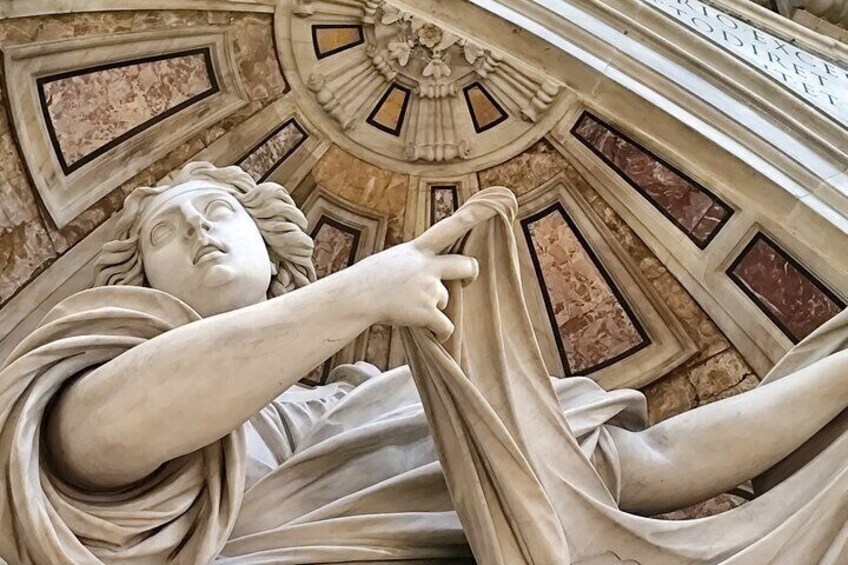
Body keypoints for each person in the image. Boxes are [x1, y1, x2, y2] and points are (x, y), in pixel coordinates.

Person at [2, 161, 847, 563]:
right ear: (140, 280)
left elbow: (646, 462)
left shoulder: (403, 395)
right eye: (164, 231)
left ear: (275, 245)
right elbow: (101, 438)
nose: (195, 228)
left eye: (219, 209)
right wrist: (365, 293)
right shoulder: (91, 366)